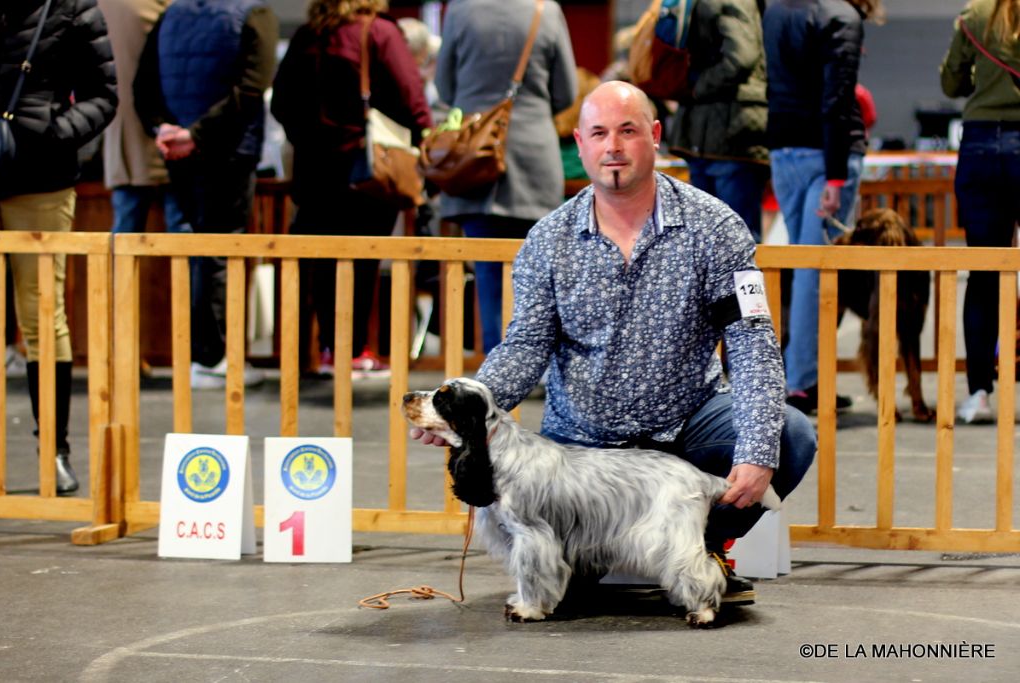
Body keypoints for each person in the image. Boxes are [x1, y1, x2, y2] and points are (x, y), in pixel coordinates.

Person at [414, 81, 817, 604]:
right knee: (570, 591)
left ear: (654, 136)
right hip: (582, 450)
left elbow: (752, 344)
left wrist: (758, 450)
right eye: (599, 133)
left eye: (628, 131)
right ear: (579, 144)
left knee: (788, 434)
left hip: (688, 425)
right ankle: (590, 553)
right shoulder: (548, 239)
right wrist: (462, 406)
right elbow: (526, 344)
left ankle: (700, 546)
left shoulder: (716, 227)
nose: (614, 147)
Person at [271, 0, 431, 379]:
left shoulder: (308, 34)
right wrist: (426, 141)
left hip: (313, 172)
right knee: (361, 259)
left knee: (322, 263)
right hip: (364, 171)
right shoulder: (378, 31)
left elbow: (280, 102)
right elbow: (412, 98)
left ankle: (329, 349)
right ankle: (354, 351)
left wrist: (307, 136)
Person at [0, 0, 118, 494]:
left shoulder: (72, 7)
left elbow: (104, 95)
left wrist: (53, 134)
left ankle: (55, 449)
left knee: (42, 317)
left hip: (42, 180)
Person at [134, 0, 278, 389]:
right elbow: (252, 89)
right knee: (220, 252)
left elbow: (142, 85)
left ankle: (203, 355)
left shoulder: (171, 13)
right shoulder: (253, 13)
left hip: (179, 153)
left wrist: (164, 130)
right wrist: (194, 135)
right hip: (228, 151)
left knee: (199, 252)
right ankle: (212, 358)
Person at [435, 0, 577, 355]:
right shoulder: (546, 11)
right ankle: (537, 362)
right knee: (539, 270)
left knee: (485, 268)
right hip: (533, 153)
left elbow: (444, 86)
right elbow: (566, 92)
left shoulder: (459, 11)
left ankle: (495, 365)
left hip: (476, 152)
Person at [763, 0, 882, 414]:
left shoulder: (775, 11)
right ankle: (800, 384)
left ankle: (801, 379)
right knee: (815, 276)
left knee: (802, 272)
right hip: (825, 155)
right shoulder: (842, 16)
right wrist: (835, 176)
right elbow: (837, 97)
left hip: (784, 151)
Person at [940, 0, 1020, 424]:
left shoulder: (973, 17)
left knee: (983, 272)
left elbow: (951, 82)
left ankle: (979, 394)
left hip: (981, 146)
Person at [668, 0, 770, 243]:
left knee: (721, 239)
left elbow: (741, 57)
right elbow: (741, 56)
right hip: (724, 133)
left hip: (717, 133)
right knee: (728, 239)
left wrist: (696, 87)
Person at [99, 0, 188, 235]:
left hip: (127, 140)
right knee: (183, 234)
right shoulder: (174, 8)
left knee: (125, 234)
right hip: (174, 136)